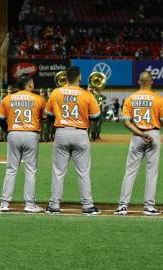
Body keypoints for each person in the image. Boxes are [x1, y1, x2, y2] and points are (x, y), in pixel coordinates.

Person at [45, 66, 101, 215]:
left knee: (58, 172)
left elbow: (49, 115)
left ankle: (54, 205)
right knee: (83, 172)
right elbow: (96, 117)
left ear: (66, 77)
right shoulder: (87, 94)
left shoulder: (56, 92)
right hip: (80, 133)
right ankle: (88, 206)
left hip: (61, 132)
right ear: (80, 78)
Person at [114, 71, 163, 216]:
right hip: (153, 134)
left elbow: (126, 122)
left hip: (137, 135)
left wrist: (140, 133)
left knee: (130, 171)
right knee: (152, 172)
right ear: (151, 82)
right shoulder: (158, 98)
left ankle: (122, 206)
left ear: (139, 82)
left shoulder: (130, 98)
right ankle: (149, 207)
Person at [0, 74, 46, 213]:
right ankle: (30, 205)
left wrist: (9, 131)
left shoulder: (8, 98)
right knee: (30, 170)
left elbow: (0, 118)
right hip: (31, 134)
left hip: (13, 133)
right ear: (29, 85)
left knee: (11, 169)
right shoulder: (39, 99)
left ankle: (4, 204)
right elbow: (45, 118)